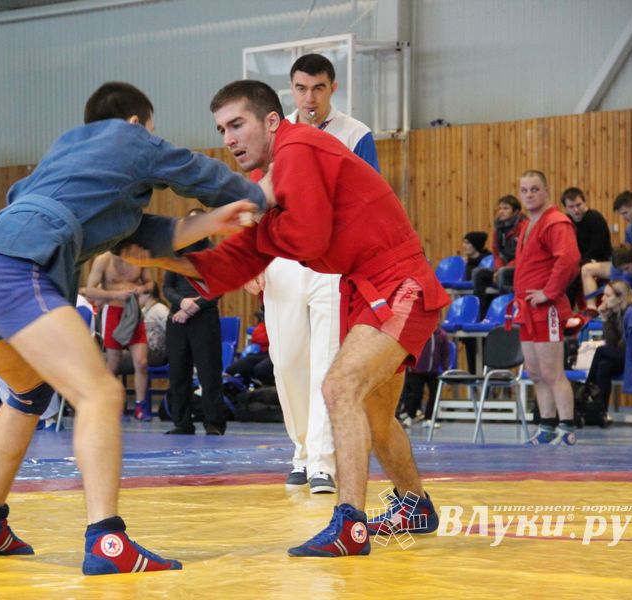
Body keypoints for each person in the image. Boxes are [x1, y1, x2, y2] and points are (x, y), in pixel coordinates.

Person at [0, 81, 266, 576]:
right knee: (101, 393)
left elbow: (145, 240)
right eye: (151, 132)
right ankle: (107, 540)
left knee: (27, 395)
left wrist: (216, 221)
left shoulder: (67, 162)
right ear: (136, 124)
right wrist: (259, 195)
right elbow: (194, 171)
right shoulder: (127, 136)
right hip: (16, 268)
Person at [122, 80, 451, 558]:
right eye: (221, 129)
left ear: (273, 121)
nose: (230, 138)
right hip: (365, 285)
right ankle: (414, 505)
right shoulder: (271, 182)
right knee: (375, 415)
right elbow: (232, 266)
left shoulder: (297, 146)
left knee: (339, 388)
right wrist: (158, 257)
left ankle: (350, 526)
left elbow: (309, 239)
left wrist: (255, 220)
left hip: (397, 279)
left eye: (238, 124)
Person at [245, 53, 381, 494]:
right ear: (291, 89)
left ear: (333, 89)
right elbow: (253, 200)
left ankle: (324, 460)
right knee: (286, 362)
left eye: (318, 88)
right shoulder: (273, 132)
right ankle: (302, 450)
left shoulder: (356, 134)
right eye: (301, 88)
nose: (309, 97)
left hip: (331, 262)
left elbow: (369, 203)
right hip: (282, 259)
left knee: (327, 360)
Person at [511, 171, 581, 446]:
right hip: (527, 308)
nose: (529, 195)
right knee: (535, 372)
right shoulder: (528, 224)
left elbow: (570, 260)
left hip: (546, 308)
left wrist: (549, 293)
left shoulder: (556, 222)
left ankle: (567, 428)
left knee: (552, 372)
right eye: (524, 190)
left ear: (547, 190)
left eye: (535, 189)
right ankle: (547, 426)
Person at [163, 210, 226, 436]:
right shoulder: (176, 253)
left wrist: (194, 307)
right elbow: (167, 288)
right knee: (179, 371)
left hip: (203, 317)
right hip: (178, 317)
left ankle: (214, 423)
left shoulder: (213, 252)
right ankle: (182, 422)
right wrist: (181, 303)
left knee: (209, 372)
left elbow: (218, 288)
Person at [84, 252, 154, 420]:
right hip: (113, 311)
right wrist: (115, 295)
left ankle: (140, 406)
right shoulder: (103, 260)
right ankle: (113, 406)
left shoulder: (139, 257)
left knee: (141, 362)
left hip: (133, 312)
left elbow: (150, 284)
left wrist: (142, 288)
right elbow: (90, 290)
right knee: (113, 364)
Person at [581, 281, 632, 425]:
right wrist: (605, 319)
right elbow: (611, 345)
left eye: (607, 295)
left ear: (620, 298)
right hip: (621, 356)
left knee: (600, 350)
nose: (603, 299)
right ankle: (600, 412)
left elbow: (625, 347)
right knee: (604, 365)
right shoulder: (613, 314)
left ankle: (586, 390)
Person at [472, 196, 528, 321]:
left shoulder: (525, 226)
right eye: (500, 208)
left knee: (503, 273)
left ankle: (501, 314)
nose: (501, 211)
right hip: (504, 268)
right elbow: (496, 252)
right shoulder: (498, 228)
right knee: (478, 273)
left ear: (515, 212)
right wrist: (497, 269)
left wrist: (503, 269)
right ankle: (480, 315)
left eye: (506, 208)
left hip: (520, 269)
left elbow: (523, 254)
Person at [560, 187, 612, 307]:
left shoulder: (595, 218)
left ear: (584, 202)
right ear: (566, 208)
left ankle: (569, 308)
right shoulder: (566, 221)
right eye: (571, 207)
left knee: (573, 273)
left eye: (579, 205)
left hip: (599, 259)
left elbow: (598, 248)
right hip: (579, 259)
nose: (576, 210)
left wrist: (578, 262)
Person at [397, 325, 451, 426]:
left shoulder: (442, 336)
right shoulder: (419, 334)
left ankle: (428, 419)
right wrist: (409, 366)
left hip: (434, 372)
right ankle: (410, 416)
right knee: (416, 395)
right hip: (417, 371)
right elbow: (410, 350)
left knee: (434, 395)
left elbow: (445, 356)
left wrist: (445, 371)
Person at [225, 309, 275, 387]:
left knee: (261, 369)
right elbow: (257, 337)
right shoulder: (268, 320)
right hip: (267, 353)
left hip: (282, 355)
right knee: (236, 367)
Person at [138, 284, 169, 367]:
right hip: (144, 351)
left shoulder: (160, 309)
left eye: (138, 293)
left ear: (148, 293)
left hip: (158, 355)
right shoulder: (142, 311)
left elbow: (172, 331)